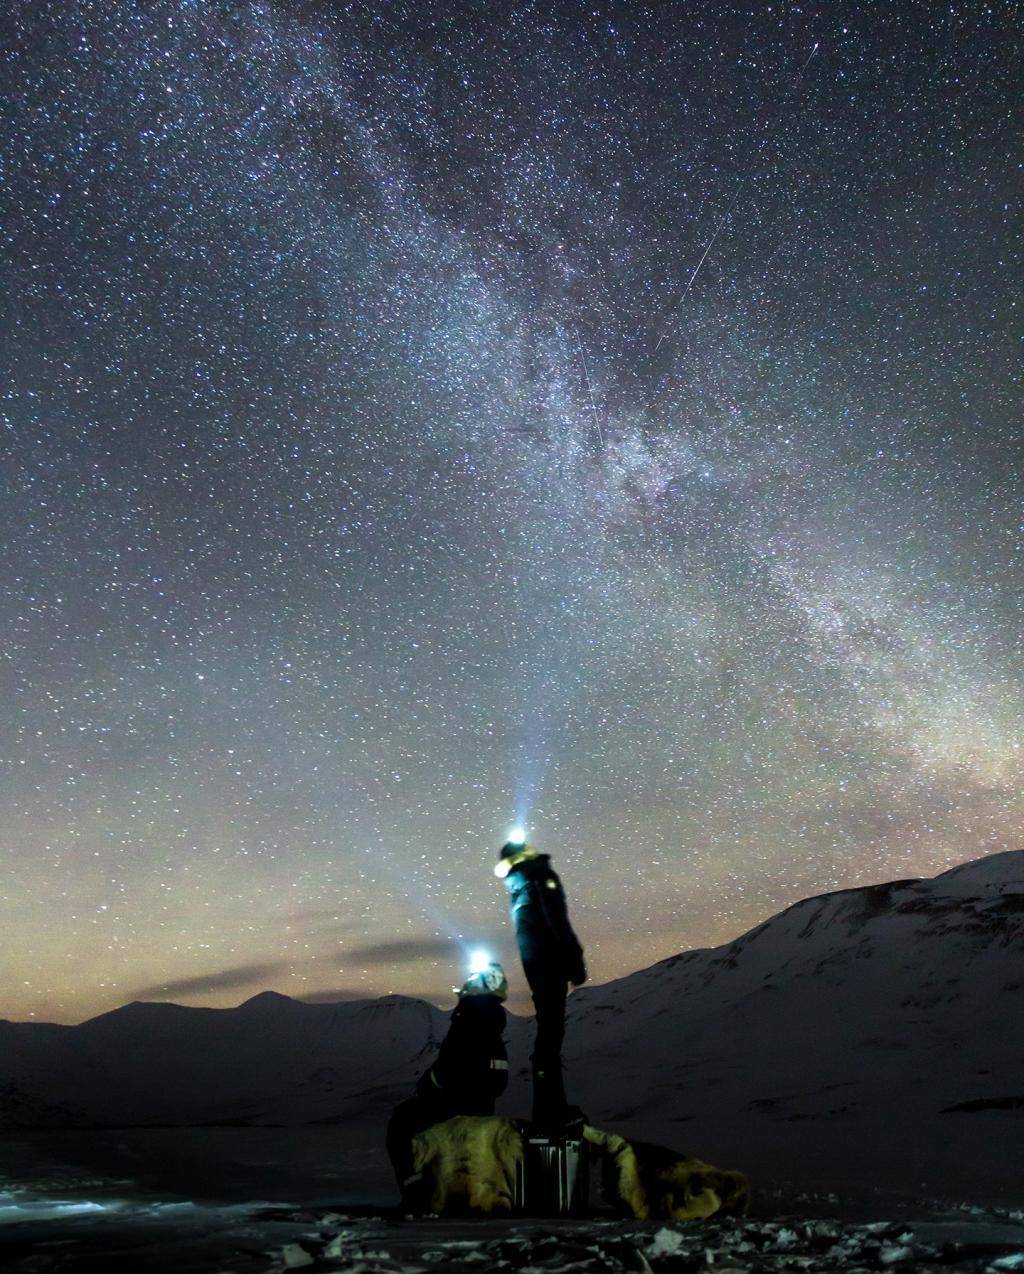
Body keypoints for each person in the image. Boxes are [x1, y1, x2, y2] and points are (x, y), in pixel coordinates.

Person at [386, 960, 509, 1210]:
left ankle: (417, 1195)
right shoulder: (490, 1027)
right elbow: (496, 1078)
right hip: (479, 1108)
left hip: (453, 1106)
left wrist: (431, 1086)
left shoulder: (469, 1022)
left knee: (402, 1123)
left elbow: (449, 1068)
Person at [495, 839, 587, 1131]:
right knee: (550, 1040)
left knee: (547, 1039)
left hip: (536, 967)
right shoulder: (538, 878)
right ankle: (552, 1110)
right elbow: (556, 920)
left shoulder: (518, 887)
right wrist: (574, 961)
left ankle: (548, 1107)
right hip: (552, 964)